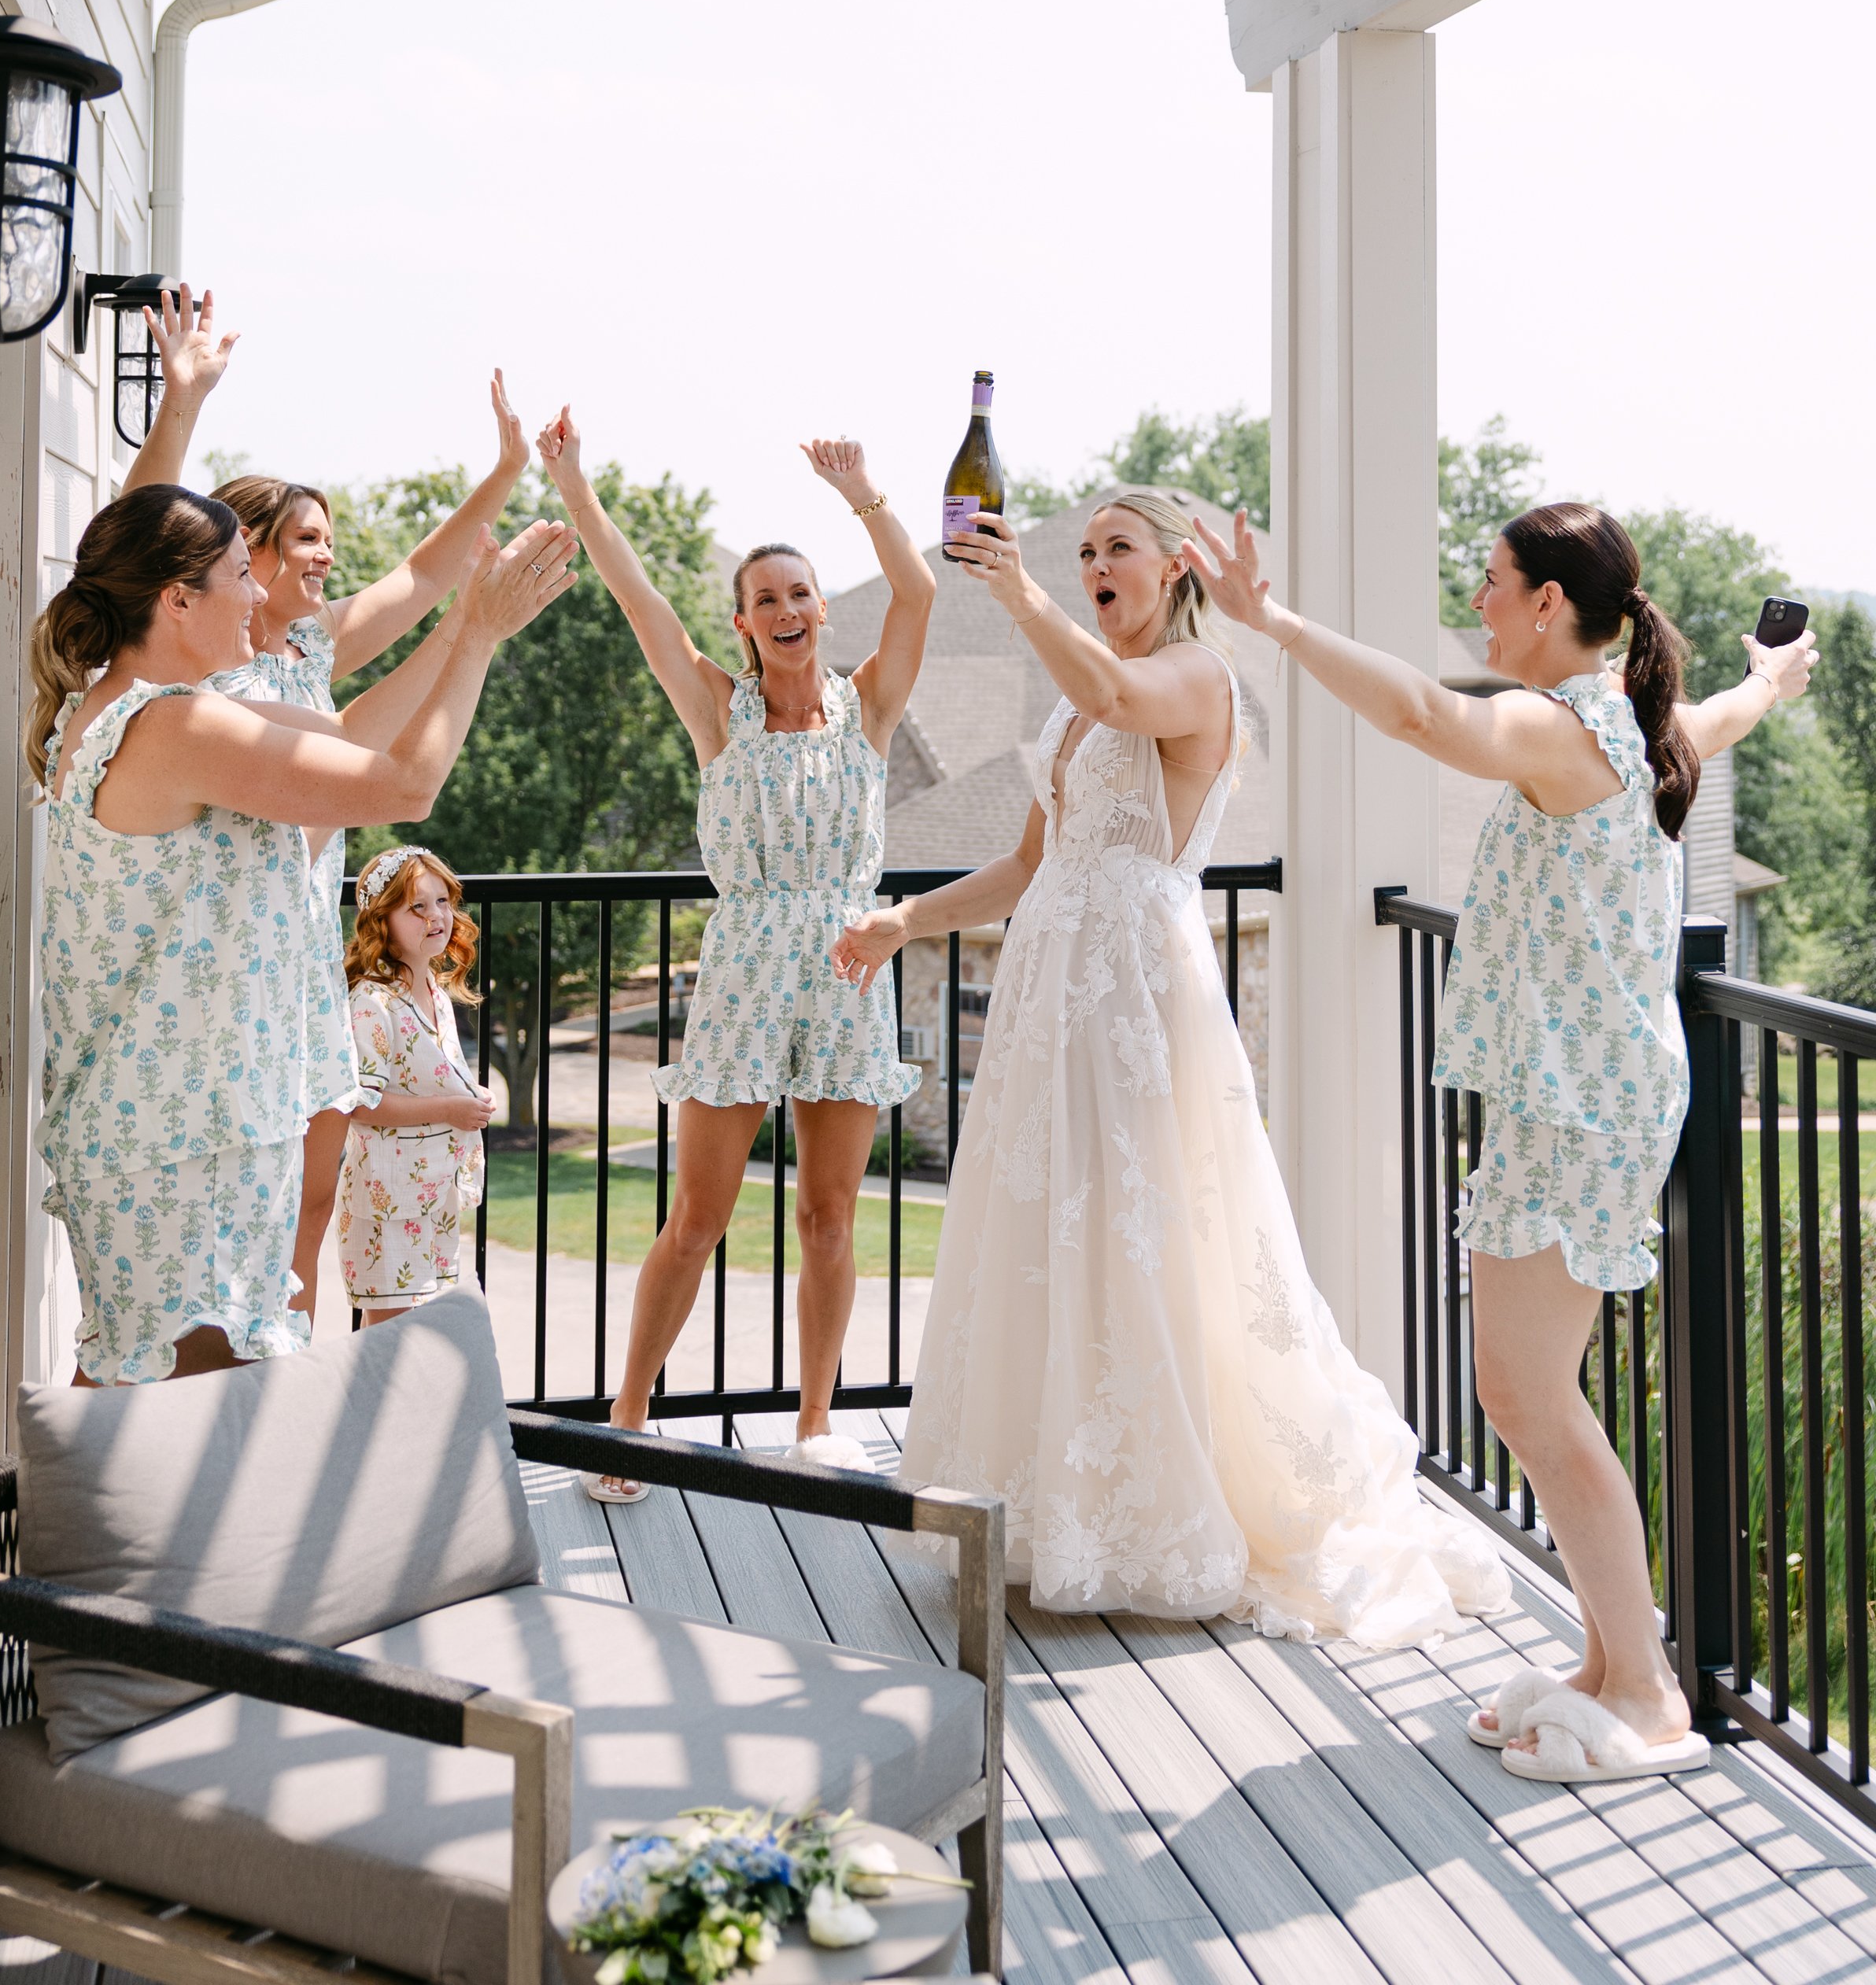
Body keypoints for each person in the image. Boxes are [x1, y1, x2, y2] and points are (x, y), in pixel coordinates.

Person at [1187, 499, 1815, 1769]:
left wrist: (1274, 621)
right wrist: (1775, 676)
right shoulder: (1643, 726)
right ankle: (1604, 1656)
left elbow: (1428, 715)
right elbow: (1729, 717)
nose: (1476, 603)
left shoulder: (1561, 722)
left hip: (1582, 1109)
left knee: (1530, 1398)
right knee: (1525, 1393)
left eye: (1490, 582)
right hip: (1578, 1099)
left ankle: (1642, 1688)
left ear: (1547, 604)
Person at [834, 489, 1506, 1641]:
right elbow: (1027, 861)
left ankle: (1158, 1516)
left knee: (1147, 1231)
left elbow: (1112, 689)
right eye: (1085, 550)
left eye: (1116, 549)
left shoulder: (1197, 676)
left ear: (1171, 569)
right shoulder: (1075, 704)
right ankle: (1054, 1508)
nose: (1095, 563)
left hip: (1138, 988)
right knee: (1051, 1230)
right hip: (1052, 989)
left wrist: (1020, 589)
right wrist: (909, 920)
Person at [28, 481, 576, 1387]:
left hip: (201, 1119)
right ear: (176, 599)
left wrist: (465, 621)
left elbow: (355, 739)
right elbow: (405, 788)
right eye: (242, 574)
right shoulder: (175, 724)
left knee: (163, 1383)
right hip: (178, 1139)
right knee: (170, 1392)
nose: (258, 594)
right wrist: (477, 632)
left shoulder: (152, 705)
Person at [535, 409, 936, 1490]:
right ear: (744, 623)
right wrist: (576, 487)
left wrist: (863, 494)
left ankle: (814, 1423)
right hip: (747, 975)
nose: (788, 610)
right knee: (698, 1217)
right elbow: (639, 602)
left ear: (818, 608)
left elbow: (920, 595)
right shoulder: (722, 709)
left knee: (828, 1214)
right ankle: (624, 1424)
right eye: (766, 600)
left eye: (801, 593)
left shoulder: (869, 714)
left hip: (851, 970)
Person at [126, 292, 533, 1326]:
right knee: (223, 1232)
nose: (325, 554)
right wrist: (182, 404)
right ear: (243, 551)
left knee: (309, 1204)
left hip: (304, 961)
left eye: (328, 538)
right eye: (305, 537)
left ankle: (293, 1373)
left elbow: (426, 575)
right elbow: (138, 550)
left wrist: (507, 473)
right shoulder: (193, 686)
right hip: (219, 979)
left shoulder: (308, 651)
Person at [337, 847, 493, 1326]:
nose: (437, 916)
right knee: (388, 1334)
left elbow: (433, 1072)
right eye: (417, 907)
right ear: (383, 920)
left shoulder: (435, 994)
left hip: (432, 1192)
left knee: (421, 1328)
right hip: (386, 1197)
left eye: (443, 902)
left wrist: (472, 1095)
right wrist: (449, 1108)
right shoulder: (374, 1000)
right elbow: (363, 1103)